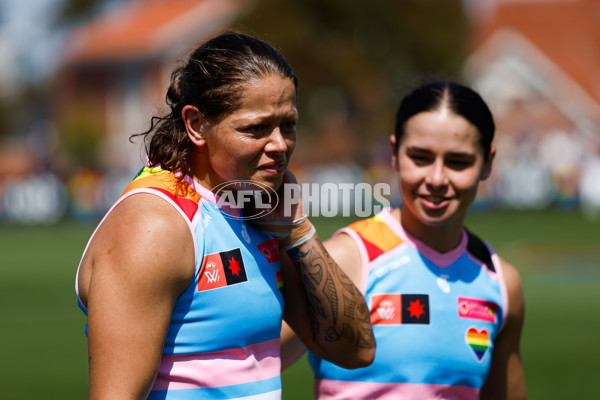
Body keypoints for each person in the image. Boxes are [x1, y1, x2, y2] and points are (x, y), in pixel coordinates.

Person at [75, 31, 375, 400]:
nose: (280, 145)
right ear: (196, 125)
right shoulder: (156, 224)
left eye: (289, 125)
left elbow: (356, 349)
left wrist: (298, 230)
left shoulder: (255, 205)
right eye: (256, 129)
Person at [281, 81, 527, 399]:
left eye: (458, 161)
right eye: (420, 157)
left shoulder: (501, 283)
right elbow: (247, 366)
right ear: (395, 155)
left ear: (488, 162)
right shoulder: (345, 258)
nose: (436, 179)